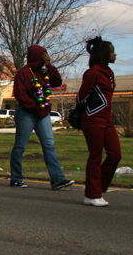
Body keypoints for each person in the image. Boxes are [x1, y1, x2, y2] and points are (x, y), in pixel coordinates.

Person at [9, 45, 74, 190]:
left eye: (46, 57)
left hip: (43, 113)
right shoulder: (23, 73)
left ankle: (57, 179)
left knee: (49, 145)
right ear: (36, 57)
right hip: (27, 113)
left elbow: (57, 81)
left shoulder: (44, 72)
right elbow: (20, 94)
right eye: (43, 57)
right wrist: (34, 105)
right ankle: (16, 178)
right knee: (20, 146)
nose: (44, 60)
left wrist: (50, 65)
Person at [77, 37, 121, 207]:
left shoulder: (108, 72)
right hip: (93, 120)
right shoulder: (92, 73)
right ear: (104, 54)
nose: (115, 54)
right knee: (95, 156)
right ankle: (92, 195)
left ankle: (96, 187)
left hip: (107, 120)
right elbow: (81, 97)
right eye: (112, 51)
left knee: (115, 154)